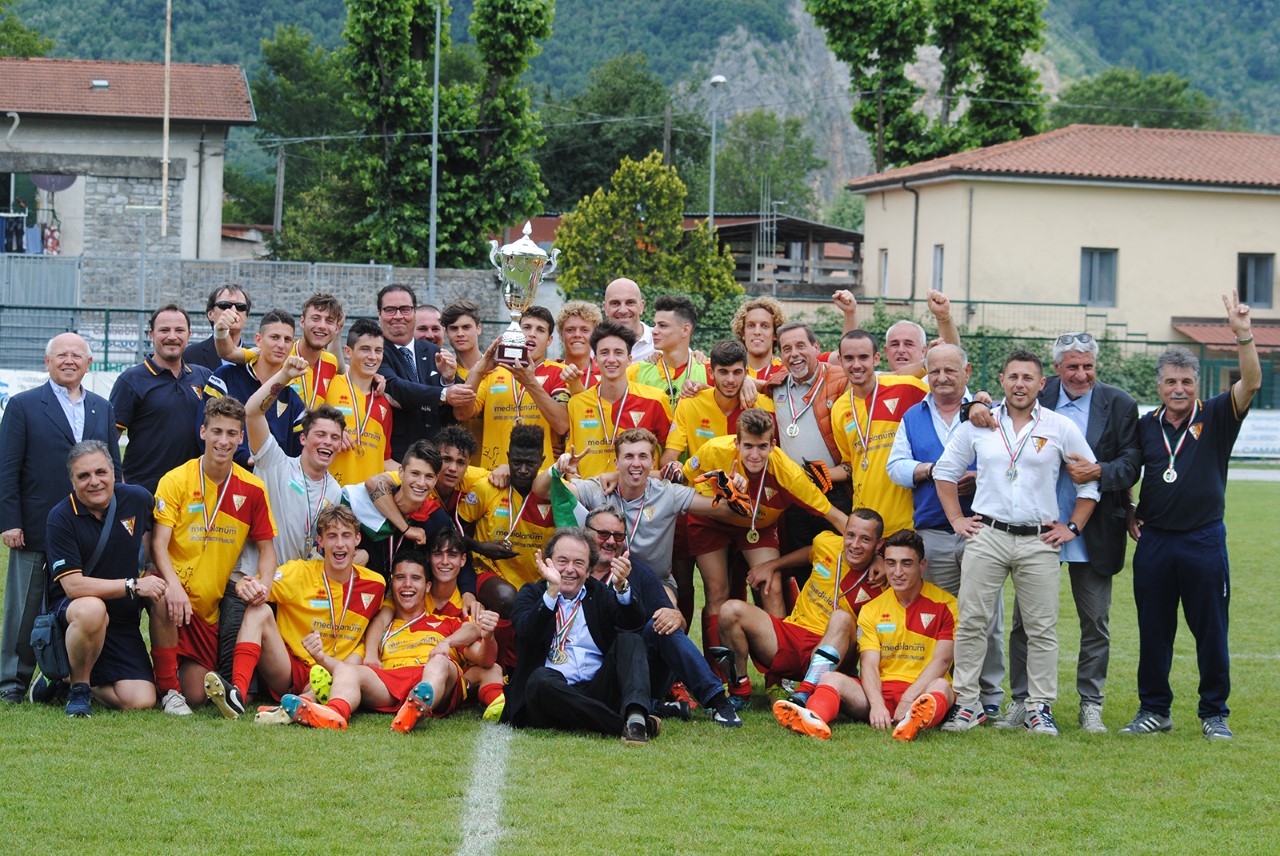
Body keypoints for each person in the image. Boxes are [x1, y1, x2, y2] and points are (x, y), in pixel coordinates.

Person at [935, 349, 1099, 735]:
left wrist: (1072, 528)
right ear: (1002, 382)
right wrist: (957, 519)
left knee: (1041, 628)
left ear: (1042, 384)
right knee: (973, 622)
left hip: (1038, 539)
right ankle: (970, 705)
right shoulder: (979, 424)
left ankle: (1038, 707)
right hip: (987, 534)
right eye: (1013, 377)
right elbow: (945, 472)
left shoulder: (1059, 426)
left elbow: (1089, 480)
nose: (1020, 385)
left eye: (1028, 378)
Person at [1121, 292, 1259, 740]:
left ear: (1196, 384)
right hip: (1155, 541)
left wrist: (1242, 334)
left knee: (1210, 631)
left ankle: (1214, 713)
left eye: (1186, 381)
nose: (1178, 389)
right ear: (1158, 387)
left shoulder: (1218, 415)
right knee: (1154, 632)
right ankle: (1154, 710)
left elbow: (1252, 382)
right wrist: (1127, 508)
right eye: (1170, 382)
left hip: (1202, 540)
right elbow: (1125, 469)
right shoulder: (1146, 425)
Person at [1001, 332, 1141, 733]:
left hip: (1093, 531)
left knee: (1094, 621)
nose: (1081, 374)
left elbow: (1132, 464)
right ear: (1056, 371)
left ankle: (1090, 702)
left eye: (1088, 366)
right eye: (1073, 367)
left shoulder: (1119, 404)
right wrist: (976, 404)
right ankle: (1023, 700)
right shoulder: (1034, 397)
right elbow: (992, 412)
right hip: (1036, 529)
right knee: (1025, 622)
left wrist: (1099, 471)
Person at [886, 343, 1005, 719]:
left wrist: (977, 476)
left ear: (967, 372)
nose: (941, 378)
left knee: (985, 617)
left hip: (982, 529)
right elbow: (896, 467)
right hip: (933, 533)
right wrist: (933, 470)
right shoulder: (912, 416)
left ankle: (990, 697)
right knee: (940, 620)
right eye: (934, 371)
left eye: (950, 371)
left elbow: (1008, 463)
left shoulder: (987, 414)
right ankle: (950, 697)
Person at [0, 333, 120, 703]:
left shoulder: (103, 407)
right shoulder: (23, 405)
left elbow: (115, 467)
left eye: (77, 355)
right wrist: (10, 520)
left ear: (88, 363)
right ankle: (11, 683)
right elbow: (7, 468)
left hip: (87, 529)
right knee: (23, 611)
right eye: (61, 355)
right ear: (47, 362)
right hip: (35, 527)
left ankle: (64, 679)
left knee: (79, 608)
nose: (69, 361)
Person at [272, 540, 503, 730]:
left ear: (428, 586)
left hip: (434, 678)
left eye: (415, 578)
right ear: (392, 584)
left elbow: (482, 654)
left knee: (440, 662)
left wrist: (460, 640)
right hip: (391, 681)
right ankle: (335, 713)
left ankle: (419, 705)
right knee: (349, 669)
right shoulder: (382, 626)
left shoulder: (447, 623)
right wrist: (322, 658)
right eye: (400, 578)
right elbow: (356, 661)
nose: (407, 585)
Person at [684, 408, 850, 656]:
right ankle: (722, 679)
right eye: (748, 446)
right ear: (736, 442)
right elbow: (684, 483)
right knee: (717, 590)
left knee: (771, 585)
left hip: (756, 527)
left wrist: (876, 551)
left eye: (762, 446)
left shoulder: (789, 474)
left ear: (773, 445)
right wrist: (719, 498)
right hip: (711, 522)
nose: (754, 454)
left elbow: (835, 516)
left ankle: (778, 675)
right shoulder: (713, 449)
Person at [149, 396, 278, 714]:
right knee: (162, 596)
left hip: (206, 611)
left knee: (196, 694)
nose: (224, 440)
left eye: (231, 433)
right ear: (203, 431)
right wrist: (174, 585)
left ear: (241, 437)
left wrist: (265, 585)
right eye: (217, 431)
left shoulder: (253, 489)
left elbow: (267, 551)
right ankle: (167, 692)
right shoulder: (176, 480)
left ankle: (161, 680)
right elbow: (159, 544)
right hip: (174, 589)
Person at [225, 356, 347, 688]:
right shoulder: (275, 462)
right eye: (319, 434)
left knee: (280, 680)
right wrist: (282, 377)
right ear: (304, 439)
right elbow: (251, 411)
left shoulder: (334, 491)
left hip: (292, 596)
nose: (326, 442)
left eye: (334, 437)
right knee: (233, 679)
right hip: (251, 584)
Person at [772, 529, 957, 742]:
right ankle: (814, 719)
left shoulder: (946, 604)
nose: (897, 572)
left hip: (923, 691)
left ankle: (913, 721)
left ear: (921, 565)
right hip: (878, 692)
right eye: (891, 563)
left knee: (942, 686)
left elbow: (942, 661)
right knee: (830, 677)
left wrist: (908, 699)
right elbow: (868, 663)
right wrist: (877, 704)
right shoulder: (872, 609)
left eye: (906, 563)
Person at [209, 504, 385, 719]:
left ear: (357, 540)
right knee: (259, 610)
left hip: (338, 671)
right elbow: (253, 584)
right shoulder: (298, 572)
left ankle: (309, 699)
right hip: (290, 670)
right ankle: (237, 694)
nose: (339, 544)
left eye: (346, 535)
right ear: (320, 541)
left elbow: (378, 622)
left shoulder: (376, 585)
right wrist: (243, 587)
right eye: (331, 536)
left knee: (347, 666)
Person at [582, 508, 742, 726]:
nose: (611, 541)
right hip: (595, 673)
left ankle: (719, 703)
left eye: (618, 536)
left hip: (640, 669)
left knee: (661, 626)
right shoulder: (575, 573)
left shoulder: (637, 571)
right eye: (603, 534)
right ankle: (656, 707)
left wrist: (675, 616)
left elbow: (676, 619)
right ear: (585, 533)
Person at [35, 441, 161, 716]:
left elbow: (152, 528)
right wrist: (133, 585)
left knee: (141, 700)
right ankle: (78, 690)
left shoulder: (137, 499)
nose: (94, 482)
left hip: (122, 621)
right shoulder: (60, 517)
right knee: (93, 608)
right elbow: (73, 585)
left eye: (101, 472)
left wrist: (150, 564)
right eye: (83, 476)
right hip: (76, 614)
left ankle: (62, 678)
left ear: (114, 473)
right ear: (72, 480)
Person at [501, 528, 658, 744]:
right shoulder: (531, 594)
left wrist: (622, 587)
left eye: (578, 563)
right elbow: (527, 634)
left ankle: (636, 717)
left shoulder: (598, 593)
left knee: (630, 640)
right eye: (562, 561)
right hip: (551, 695)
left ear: (589, 569)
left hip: (596, 688)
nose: (569, 570)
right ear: (548, 563)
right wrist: (552, 592)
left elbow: (632, 624)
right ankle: (622, 725)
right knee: (540, 680)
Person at [719, 509, 885, 711]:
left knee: (841, 618)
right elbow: (809, 553)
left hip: (836, 649)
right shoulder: (826, 543)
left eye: (865, 539)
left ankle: (805, 692)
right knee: (730, 610)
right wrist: (773, 565)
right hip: (793, 635)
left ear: (879, 544)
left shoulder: (884, 580)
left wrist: (881, 560)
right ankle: (740, 693)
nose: (855, 544)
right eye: (850, 535)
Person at [457, 424, 555, 667]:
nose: (522, 470)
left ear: (541, 460)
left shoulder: (552, 491)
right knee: (507, 598)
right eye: (517, 462)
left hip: (534, 577)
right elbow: (454, 532)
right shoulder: (485, 488)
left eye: (530, 463)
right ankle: (504, 665)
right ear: (508, 457)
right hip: (489, 571)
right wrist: (480, 547)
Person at [829, 329, 928, 536]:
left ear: (876, 359)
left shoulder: (907, 388)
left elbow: (950, 398)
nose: (856, 365)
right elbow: (851, 463)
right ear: (840, 360)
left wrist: (976, 402)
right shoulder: (840, 409)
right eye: (849, 358)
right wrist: (820, 475)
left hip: (908, 521)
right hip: (866, 525)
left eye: (863, 357)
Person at [110, 304, 213, 493]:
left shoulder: (203, 376)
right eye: (164, 330)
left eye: (179, 330)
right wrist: (121, 485)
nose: (172, 336)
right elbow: (109, 439)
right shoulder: (131, 380)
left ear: (189, 335)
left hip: (194, 493)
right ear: (151, 335)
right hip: (145, 493)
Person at [768, 322, 850, 554]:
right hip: (795, 496)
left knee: (838, 561)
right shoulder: (777, 385)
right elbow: (748, 383)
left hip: (835, 491)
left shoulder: (842, 379)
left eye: (800, 346)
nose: (794, 354)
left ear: (816, 347)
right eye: (786, 348)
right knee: (802, 566)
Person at [457, 306, 570, 470]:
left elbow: (561, 424)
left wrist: (530, 382)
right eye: (526, 327)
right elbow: (462, 413)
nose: (532, 333)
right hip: (494, 472)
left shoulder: (559, 372)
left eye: (540, 330)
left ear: (549, 340)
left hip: (540, 475)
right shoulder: (494, 371)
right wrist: (479, 370)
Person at [565, 320, 672, 478]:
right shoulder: (577, 403)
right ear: (595, 360)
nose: (611, 359)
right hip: (591, 498)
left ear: (629, 359)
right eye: (604, 352)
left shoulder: (655, 400)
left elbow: (670, 457)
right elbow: (572, 464)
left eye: (618, 352)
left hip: (640, 498)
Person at [204, 309, 307, 466]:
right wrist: (245, 458)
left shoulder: (293, 400)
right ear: (258, 340)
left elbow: (297, 455)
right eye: (274, 337)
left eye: (287, 340)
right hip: (223, 477)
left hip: (268, 485)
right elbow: (204, 428)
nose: (281, 345)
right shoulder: (225, 377)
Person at [375, 284, 465, 460]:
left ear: (414, 313)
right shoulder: (375, 351)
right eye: (390, 310)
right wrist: (443, 393)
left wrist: (449, 379)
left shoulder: (432, 352)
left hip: (438, 458)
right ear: (379, 314)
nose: (398, 316)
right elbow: (396, 388)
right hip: (396, 459)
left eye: (405, 309)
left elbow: (461, 399)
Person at [215, 293, 345, 411]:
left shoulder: (331, 362)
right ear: (302, 321)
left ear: (336, 327)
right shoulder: (278, 353)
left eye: (329, 321)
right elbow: (228, 353)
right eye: (315, 318)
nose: (322, 325)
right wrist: (220, 330)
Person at [325, 319, 396, 487]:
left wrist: (414, 473)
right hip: (331, 495)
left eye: (378, 350)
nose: (373, 357)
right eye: (365, 349)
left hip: (368, 502)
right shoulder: (330, 385)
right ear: (348, 352)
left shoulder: (384, 402)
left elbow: (384, 459)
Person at [627, 295, 708, 411]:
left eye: (662, 325)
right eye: (655, 324)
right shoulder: (636, 372)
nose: (654, 331)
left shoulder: (709, 370)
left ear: (685, 330)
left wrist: (745, 382)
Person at [184, 283, 251, 371]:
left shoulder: (255, 358)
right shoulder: (190, 355)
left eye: (241, 307)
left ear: (246, 316)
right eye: (225, 305)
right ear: (211, 314)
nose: (233, 311)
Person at [730, 295, 788, 385]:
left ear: (776, 334)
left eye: (765, 326)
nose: (757, 332)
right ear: (743, 333)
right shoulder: (726, 369)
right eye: (751, 325)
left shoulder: (787, 372)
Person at [602, 277, 654, 360]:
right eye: (615, 303)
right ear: (605, 308)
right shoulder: (592, 347)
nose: (623, 310)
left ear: (641, 306)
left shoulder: (661, 344)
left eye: (630, 303)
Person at [557, 300, 602, 392]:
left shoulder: (605, 374)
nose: (577, 335)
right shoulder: (552, 372)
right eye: (570, 330)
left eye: (585, 330)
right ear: (562, 335)